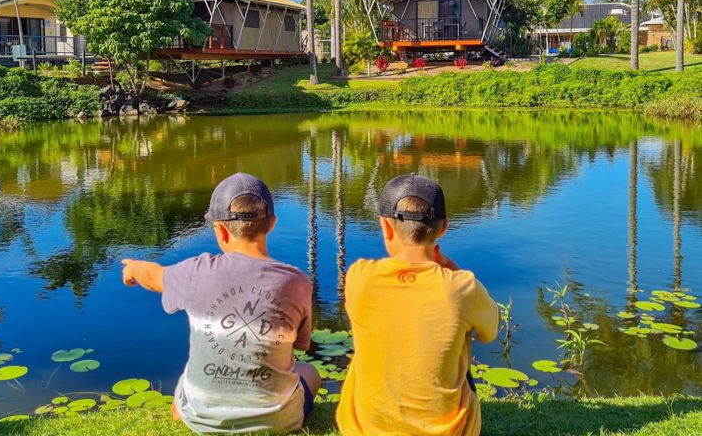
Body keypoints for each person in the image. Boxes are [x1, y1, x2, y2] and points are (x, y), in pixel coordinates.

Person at [121, 172, 319, 434]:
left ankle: (185, 408)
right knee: (310, 372)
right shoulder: (297, 282)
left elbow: (153, 276)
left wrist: (133, 268)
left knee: (189, 372)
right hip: (277, 422)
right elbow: (300, 345)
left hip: (201, 417)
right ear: (272, 224)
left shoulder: (195, 271)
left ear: (221, 230)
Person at [336, 173, 499, 436]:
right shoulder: (462, 287)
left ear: (386, 227)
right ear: (443, 227)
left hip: (365, 430)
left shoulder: (359, 277)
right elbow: (489, 332)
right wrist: (450, 267)